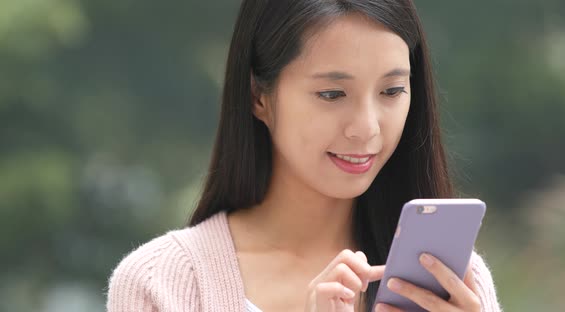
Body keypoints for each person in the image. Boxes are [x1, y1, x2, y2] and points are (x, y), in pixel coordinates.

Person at [107, 0, 502, 311]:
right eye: (332, 94)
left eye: (392, 91)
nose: (366, 127)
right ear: (259, 96)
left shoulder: (456, 285)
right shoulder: (161, 284)